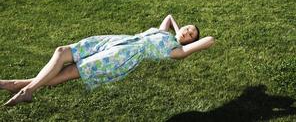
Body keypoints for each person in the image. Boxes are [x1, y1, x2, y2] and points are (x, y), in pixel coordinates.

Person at [0, 14, 214, 106]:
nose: (188, 31)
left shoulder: (175, 51)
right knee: (61, 51)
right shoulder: (164, 33)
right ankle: (21, 88)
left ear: (190, 42)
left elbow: (209, 39)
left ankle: (18, 86)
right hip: (116, 41)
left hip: (120, 56)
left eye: (191, 34)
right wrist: (178, 30)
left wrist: (184, 43)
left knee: (69, 72)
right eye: (188, 27)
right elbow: (168, 16)